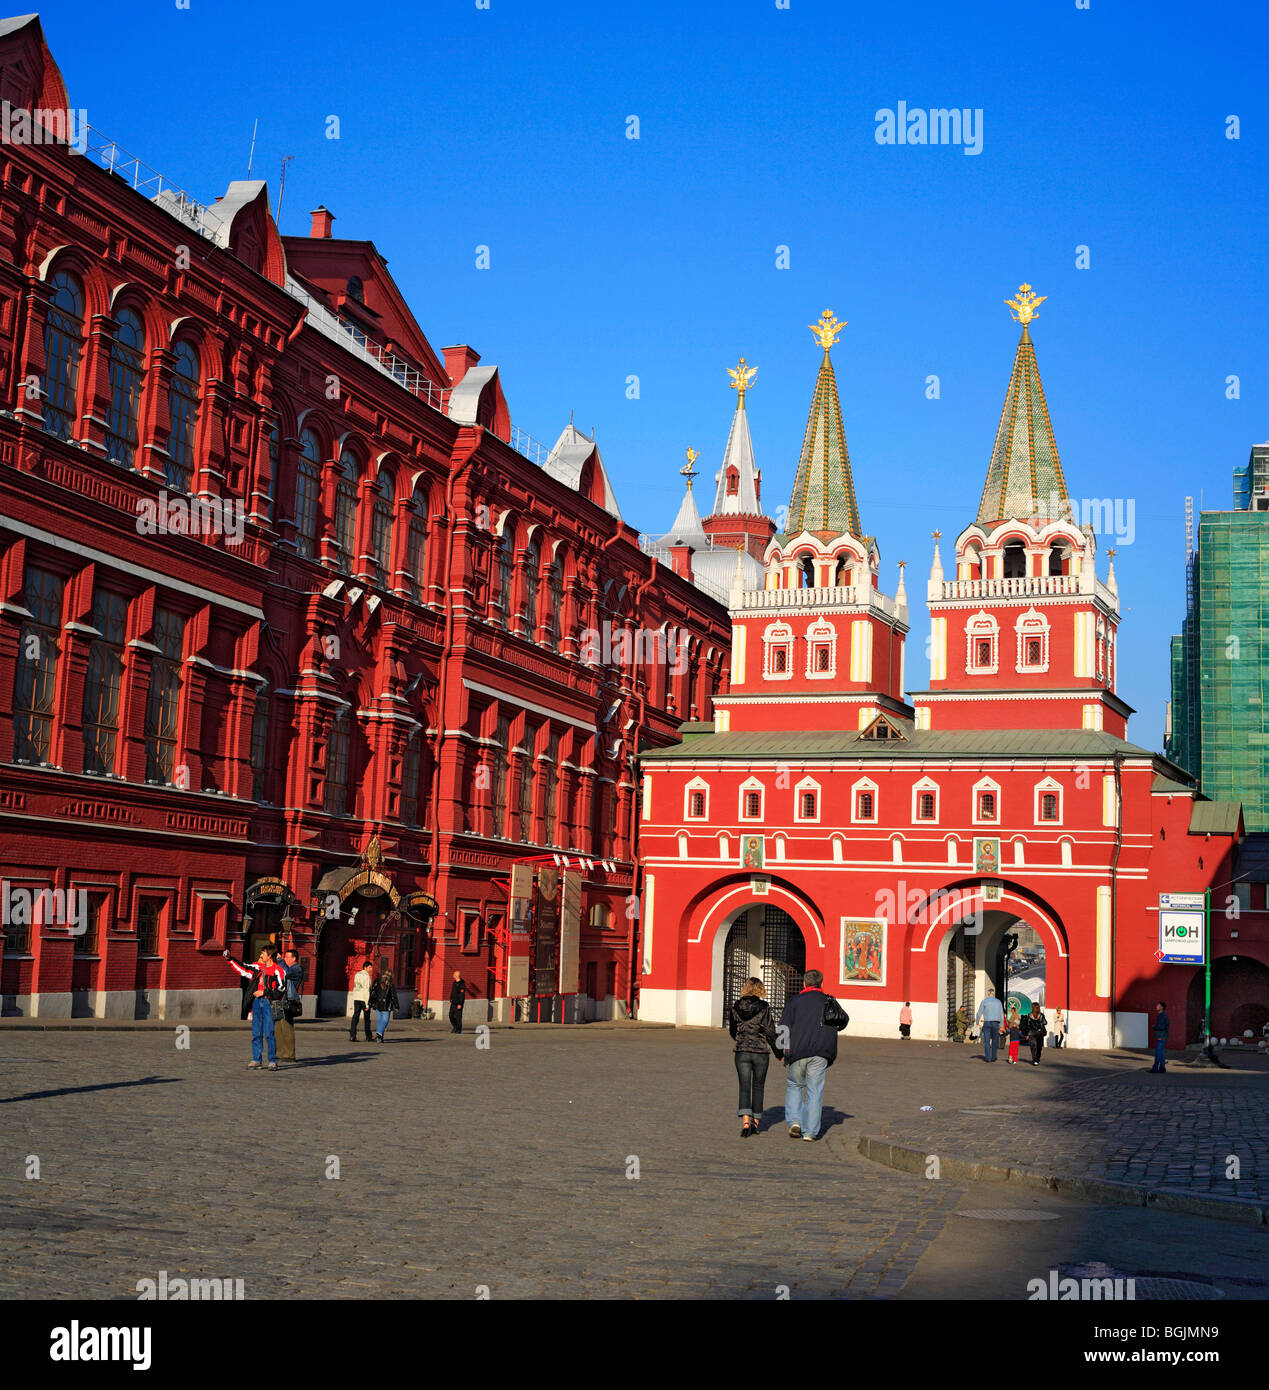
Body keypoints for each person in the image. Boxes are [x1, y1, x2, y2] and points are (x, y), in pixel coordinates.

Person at [779, 968, 848, 1142]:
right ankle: (810, 1132)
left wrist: (781, 1051)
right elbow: (844, 1020)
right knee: (814, 1091)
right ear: (821, 983)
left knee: (795, 1085)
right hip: (821, 1052)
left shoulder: (794, 1001)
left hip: (797, 1052)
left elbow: (783, 1027)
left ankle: (795, 1121)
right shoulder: (829, 1000)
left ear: (804, 983)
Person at [729, 978, 782, 1137]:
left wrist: (741, 1039)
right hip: (760, 1052)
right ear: (760, 989)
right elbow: (771, 1032)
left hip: (742, 1051)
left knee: (744, 1086)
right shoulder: (764, 1007)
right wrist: (779, 1053)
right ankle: (755, 1123)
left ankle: (745, 1122)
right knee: (758, 1086)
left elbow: (732, 1030)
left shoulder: (736, 1006)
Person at [223, 946, 287, 1070]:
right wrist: (230, 959)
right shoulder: (258, 967)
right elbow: (243, 967)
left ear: (269, 955)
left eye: (263, 953)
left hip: (269, 1003)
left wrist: (264, 992)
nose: (261, 955)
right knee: (256, 1033)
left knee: (269, 1033)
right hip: (256, 1002)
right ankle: (257, 1059)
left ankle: (272, 1061)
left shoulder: (278, 970)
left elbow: (281, 989)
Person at [274, 948, 302, 1064]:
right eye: (284, 957)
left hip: (288, 1002)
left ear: (294, 958)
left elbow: (286, 972)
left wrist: (280, 960)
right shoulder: (287, 967)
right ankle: (280, 1053)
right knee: (278, 1029)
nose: (285, 959)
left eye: (287, 957)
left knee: (287, 1029)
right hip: (280, 1001)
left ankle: (289, 1055)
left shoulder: (296, 968)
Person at [975, 987, 1004, 1062]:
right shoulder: (998, 1002)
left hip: (987, 1022)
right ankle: (993, 1057)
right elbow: (1001, 1014)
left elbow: (979, 1013)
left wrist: (977, 1021)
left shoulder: (984, 1001)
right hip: (995, 1023)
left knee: (987, 1041)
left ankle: (988, 1058)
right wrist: (1001, 1026)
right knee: (995, 1040)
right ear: (994, 994)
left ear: (988, 994)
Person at [370, 967, 398, 1043]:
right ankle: (379, 1034)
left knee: (380, 1020)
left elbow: (373, 992)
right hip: (386, 1004)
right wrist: (396, 1005)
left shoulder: (377, 982)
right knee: (385, 1020)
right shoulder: (390, 984)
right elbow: (394, 996)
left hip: (378, 1004)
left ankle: (380, 1038)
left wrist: (371, 1002)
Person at [349, 958, 374, 1043]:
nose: (371, 969)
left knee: (355, 1016)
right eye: (370, 967)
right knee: (367, 1018)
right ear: (365, 967)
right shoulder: (366, 976)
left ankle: (352, 1035)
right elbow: (366, 990)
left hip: (356, 997)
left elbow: (356, 986)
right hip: (364, 999)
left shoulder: (357, 974)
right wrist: (367, 1004)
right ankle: (368, 1036)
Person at [1149, 1000, 1170, 1073]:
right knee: (1161, 1054)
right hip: (1162, 1036)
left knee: (1158, 1053)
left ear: (1161, 1007)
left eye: (1158, 1005)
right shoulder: (1162, 1015)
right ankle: (1162, 1068)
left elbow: (1161, 1026)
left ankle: (1155, 1068)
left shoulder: (1162, 1016)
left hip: (1161, 1037)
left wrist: (1154, 1027)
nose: (1156, 1006)